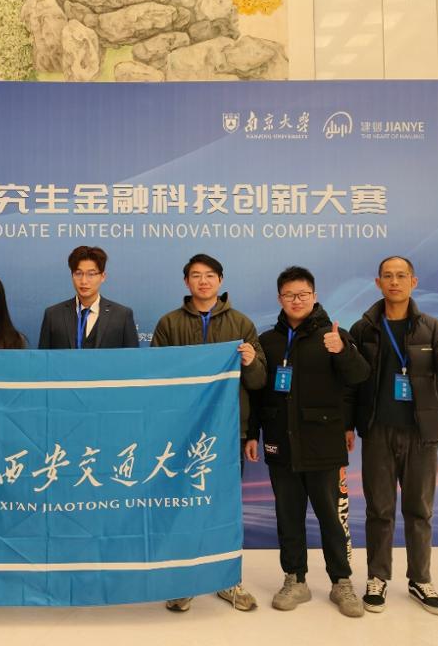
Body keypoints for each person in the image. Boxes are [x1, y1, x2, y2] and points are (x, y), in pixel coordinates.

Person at [349, 256, 438, 616]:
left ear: (413, 282)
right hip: (378, 433)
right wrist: (347, 426)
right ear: (378, 283)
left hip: (421, 435)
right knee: (379, 510)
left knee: (419, 510)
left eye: (401, 276)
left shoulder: (432, 328)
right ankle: (377, 578)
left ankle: (420, 579)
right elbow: (351, 382)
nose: (394, 281)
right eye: (388, 276)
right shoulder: (363, 329)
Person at [246, 266, 369, 618]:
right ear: (279, 299)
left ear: (314, 296)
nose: (296, 301)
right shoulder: (268, 340)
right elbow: (257, 393)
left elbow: (359, 377)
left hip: (323, 442)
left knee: (331, 518)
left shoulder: (335, 335)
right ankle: (295, 578)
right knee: (288, 516)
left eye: (302, 294)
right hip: (280, 442)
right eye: (289, 295)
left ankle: (341, 581)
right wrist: (253, 433)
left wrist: (342, 351)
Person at [151, 253, 266, 613]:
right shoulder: (169, 323)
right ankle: (185, 581)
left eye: (210, 275)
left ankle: (228, 580)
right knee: (182, 506)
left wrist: (250, 361)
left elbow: (259, 381)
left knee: (224, 507)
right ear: (186, 281)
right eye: (196, 275)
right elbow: (155, 378)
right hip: (181, 433)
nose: (203, 281)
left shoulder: (241, 323)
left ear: (220, 280)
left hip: (227, 431)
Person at [38, 245, 139, 349]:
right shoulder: (53, 315)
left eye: (91, 274)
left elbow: (132, 357)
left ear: (103, 277)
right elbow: (43, 357)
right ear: (72, 275)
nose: (84, 281)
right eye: (78, 273)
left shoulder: (122, 315)